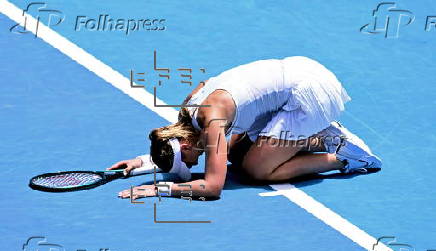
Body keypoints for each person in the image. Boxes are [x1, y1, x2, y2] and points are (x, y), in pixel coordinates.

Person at [109, 56, 382, 200]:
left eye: (188, 162)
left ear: (185, 144)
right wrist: (144, 162)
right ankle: (315, 134)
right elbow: (191, 147)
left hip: (313, 94)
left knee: (256, 170)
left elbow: (213, 187)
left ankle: (342, 155)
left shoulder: (213, 120)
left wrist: (161, 190)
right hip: (301, 69)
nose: (193, 166)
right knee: (235, 156)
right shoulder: (189, 109)